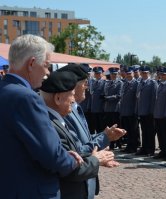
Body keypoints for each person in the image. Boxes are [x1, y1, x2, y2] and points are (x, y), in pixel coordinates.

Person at [0, 34, 82, 198]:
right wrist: (72, 160)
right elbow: (52, 156)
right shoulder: (27, 98)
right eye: (46, 65)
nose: (47, 72)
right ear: (31, 64)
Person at [40, 70, 114, 199]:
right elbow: (68, 169)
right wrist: (96, 160)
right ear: (58, 98)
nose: (74, 100)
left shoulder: (58, 120)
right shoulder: (49, 125)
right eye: (72, 95)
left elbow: (76, 152)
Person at [135, 66, 158, 156]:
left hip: (149, 111)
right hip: (142, 111)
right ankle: (144, 148)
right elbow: (138, 97)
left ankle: (150, 149)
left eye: (146, 73)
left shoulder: (153, 83)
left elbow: (154, 98)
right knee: (144, 131)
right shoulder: (140, 83)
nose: (144, 74)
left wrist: (151, 111)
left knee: (150, 131)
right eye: (142, 72)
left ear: (148, 73)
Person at [119, 66, 139, 153]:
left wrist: (136, 110)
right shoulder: (125, 83)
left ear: (133, 73)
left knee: (133, 130)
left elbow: (137, 98)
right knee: (128, 130)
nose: (128, 75)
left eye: (130, 73)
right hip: (125, 111)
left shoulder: (136, 83)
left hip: (132, 110)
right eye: (127, 74)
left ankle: (134, 147)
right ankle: (129, 146)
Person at [104, 67, 124, 149]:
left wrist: (108, 98)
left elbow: (119, 95)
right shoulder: (108, 83)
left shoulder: (120, 83)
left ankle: (118, 142)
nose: (113, 76)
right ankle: (111, 142)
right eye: (112, 74)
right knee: (109, 126)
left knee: (116, 126)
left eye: (115, 74)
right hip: (108, 108)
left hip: (116, 108)